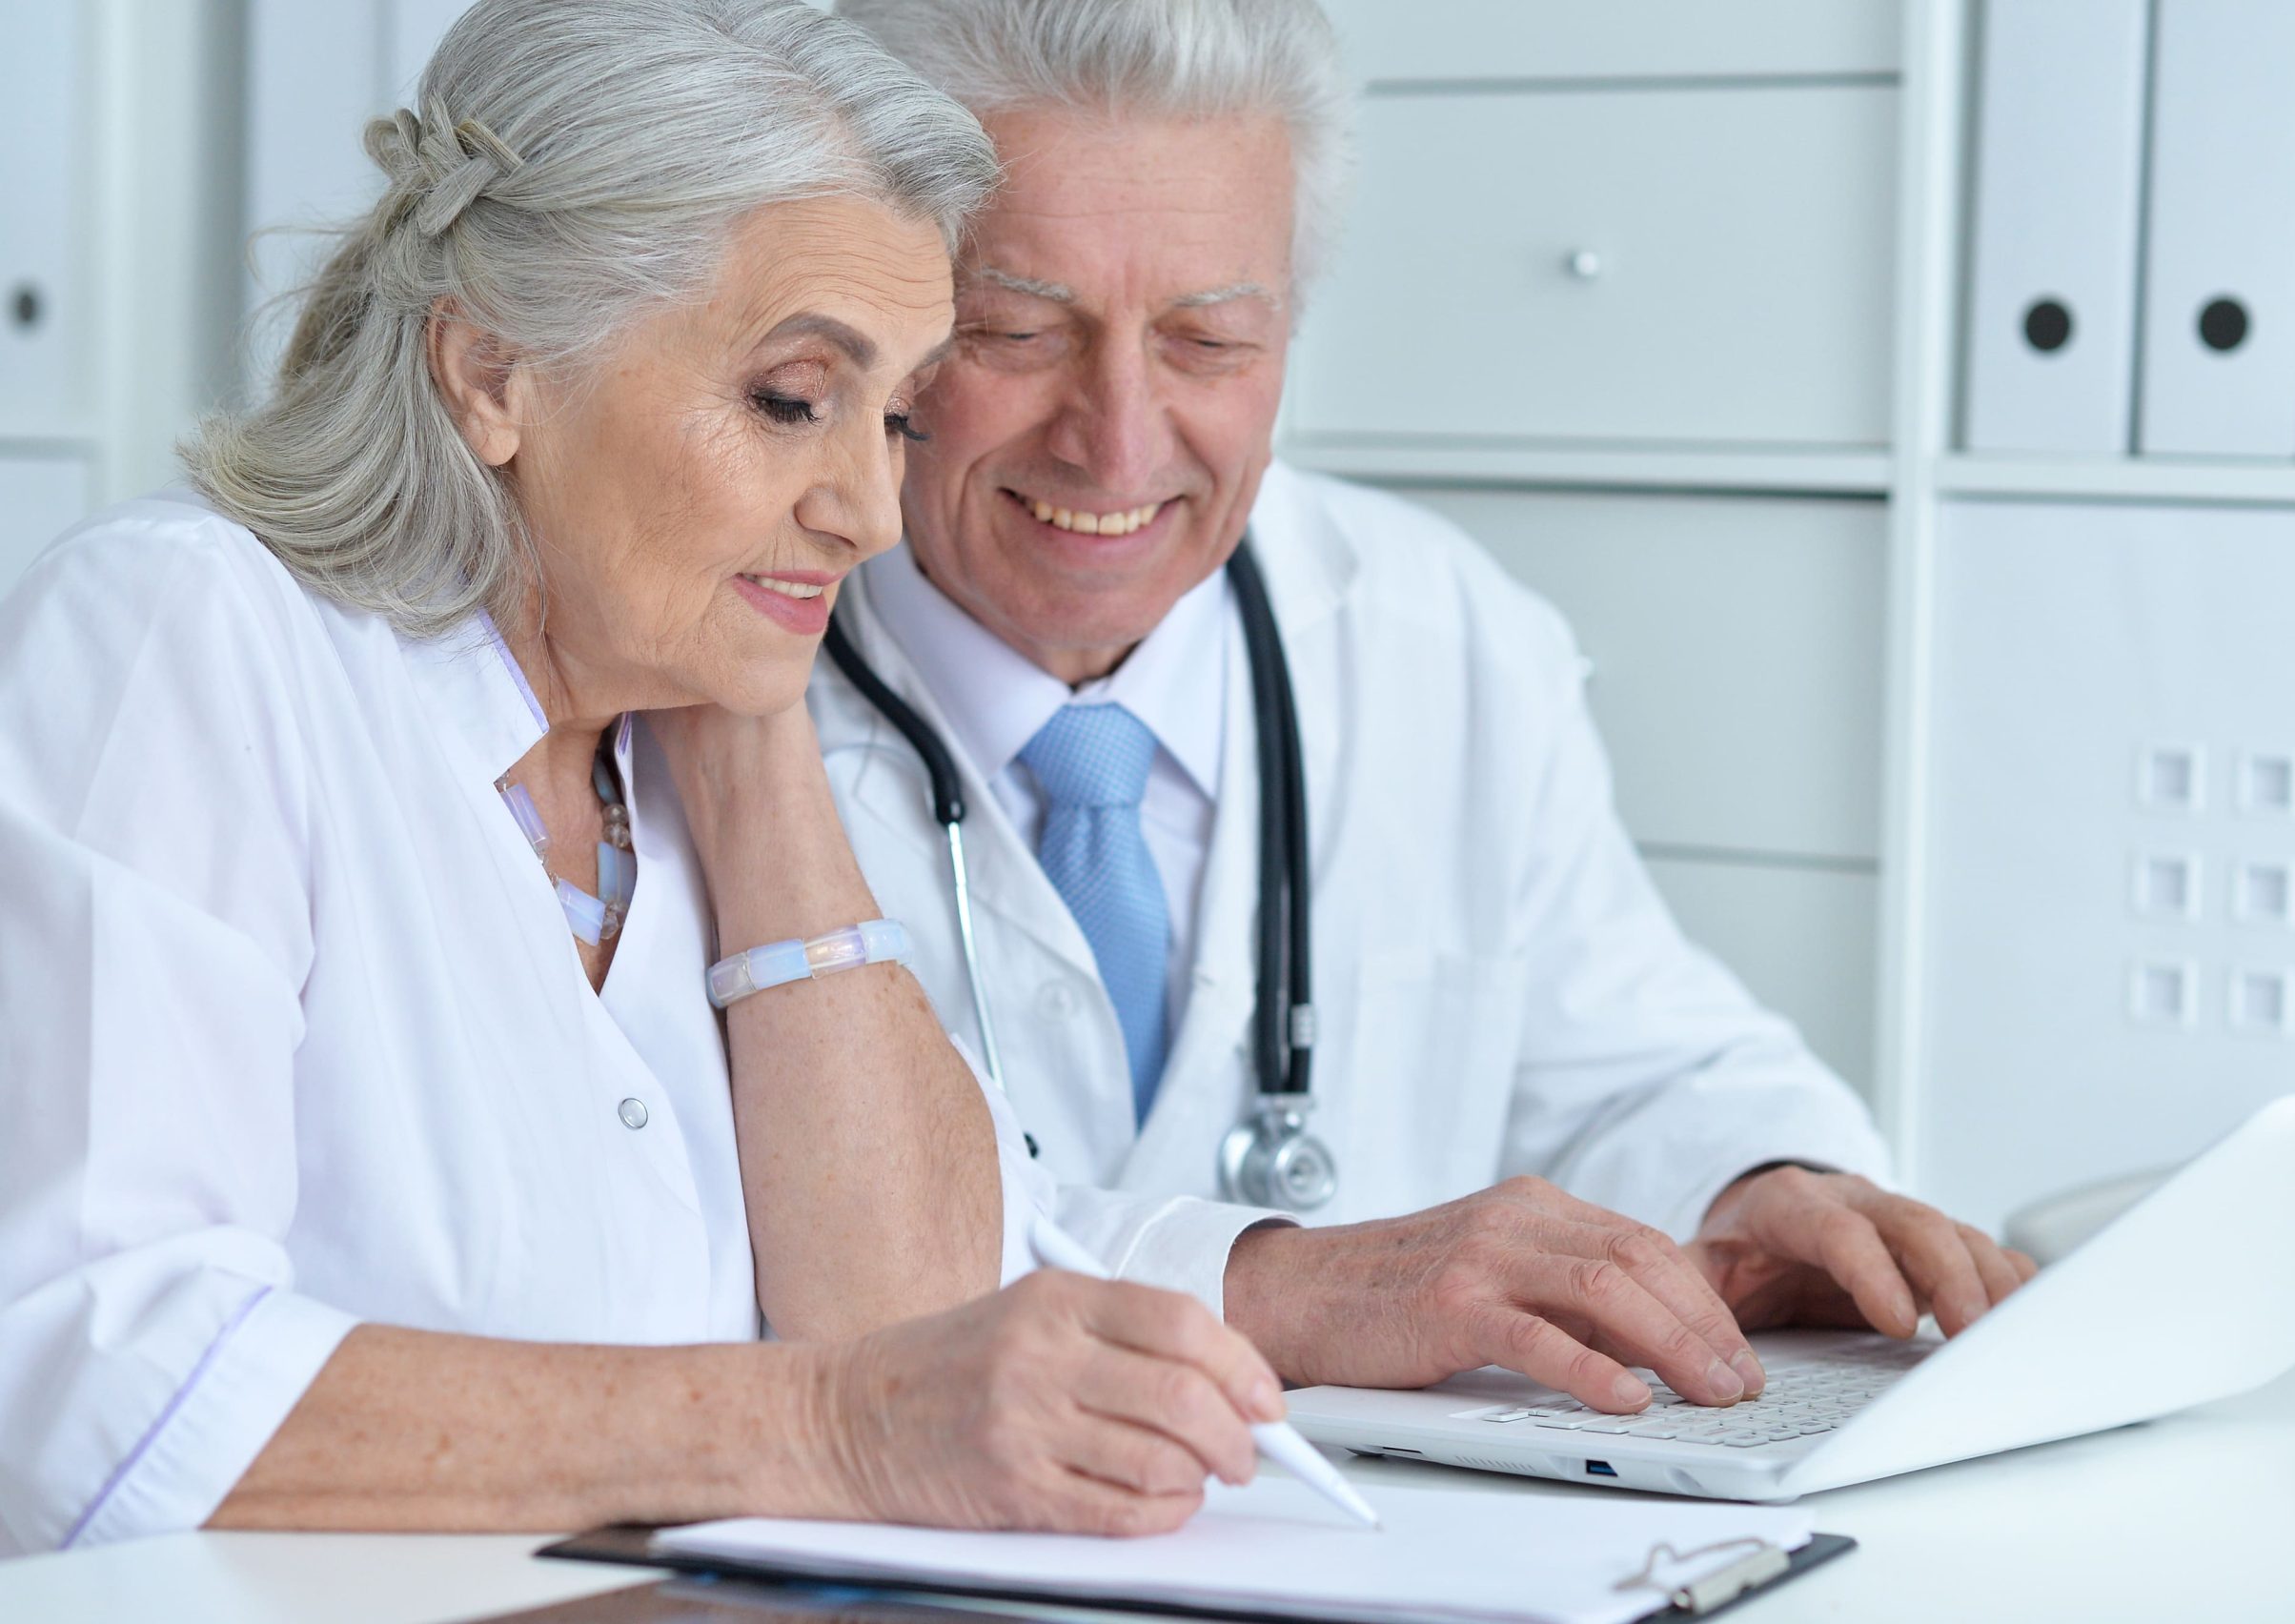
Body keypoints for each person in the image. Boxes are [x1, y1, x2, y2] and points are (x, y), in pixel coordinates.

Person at [0, 0, 1286, 1556]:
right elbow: (87, 1385)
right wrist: (820, 1427)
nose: (873, 512)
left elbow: (925, 1328)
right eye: (790, 403)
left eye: (894, 418)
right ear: (490, 372)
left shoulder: (674, 738)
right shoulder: (188, 638)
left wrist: (753, 731)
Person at [817, 0, 2037, 1418]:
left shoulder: (1432, 626)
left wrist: (1769, 1184)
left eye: (1211, 341)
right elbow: (726, 1239)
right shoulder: (708, 684)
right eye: (1016, 331)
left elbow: (1633, 1057)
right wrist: (1273, 1288)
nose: (1121, 438)